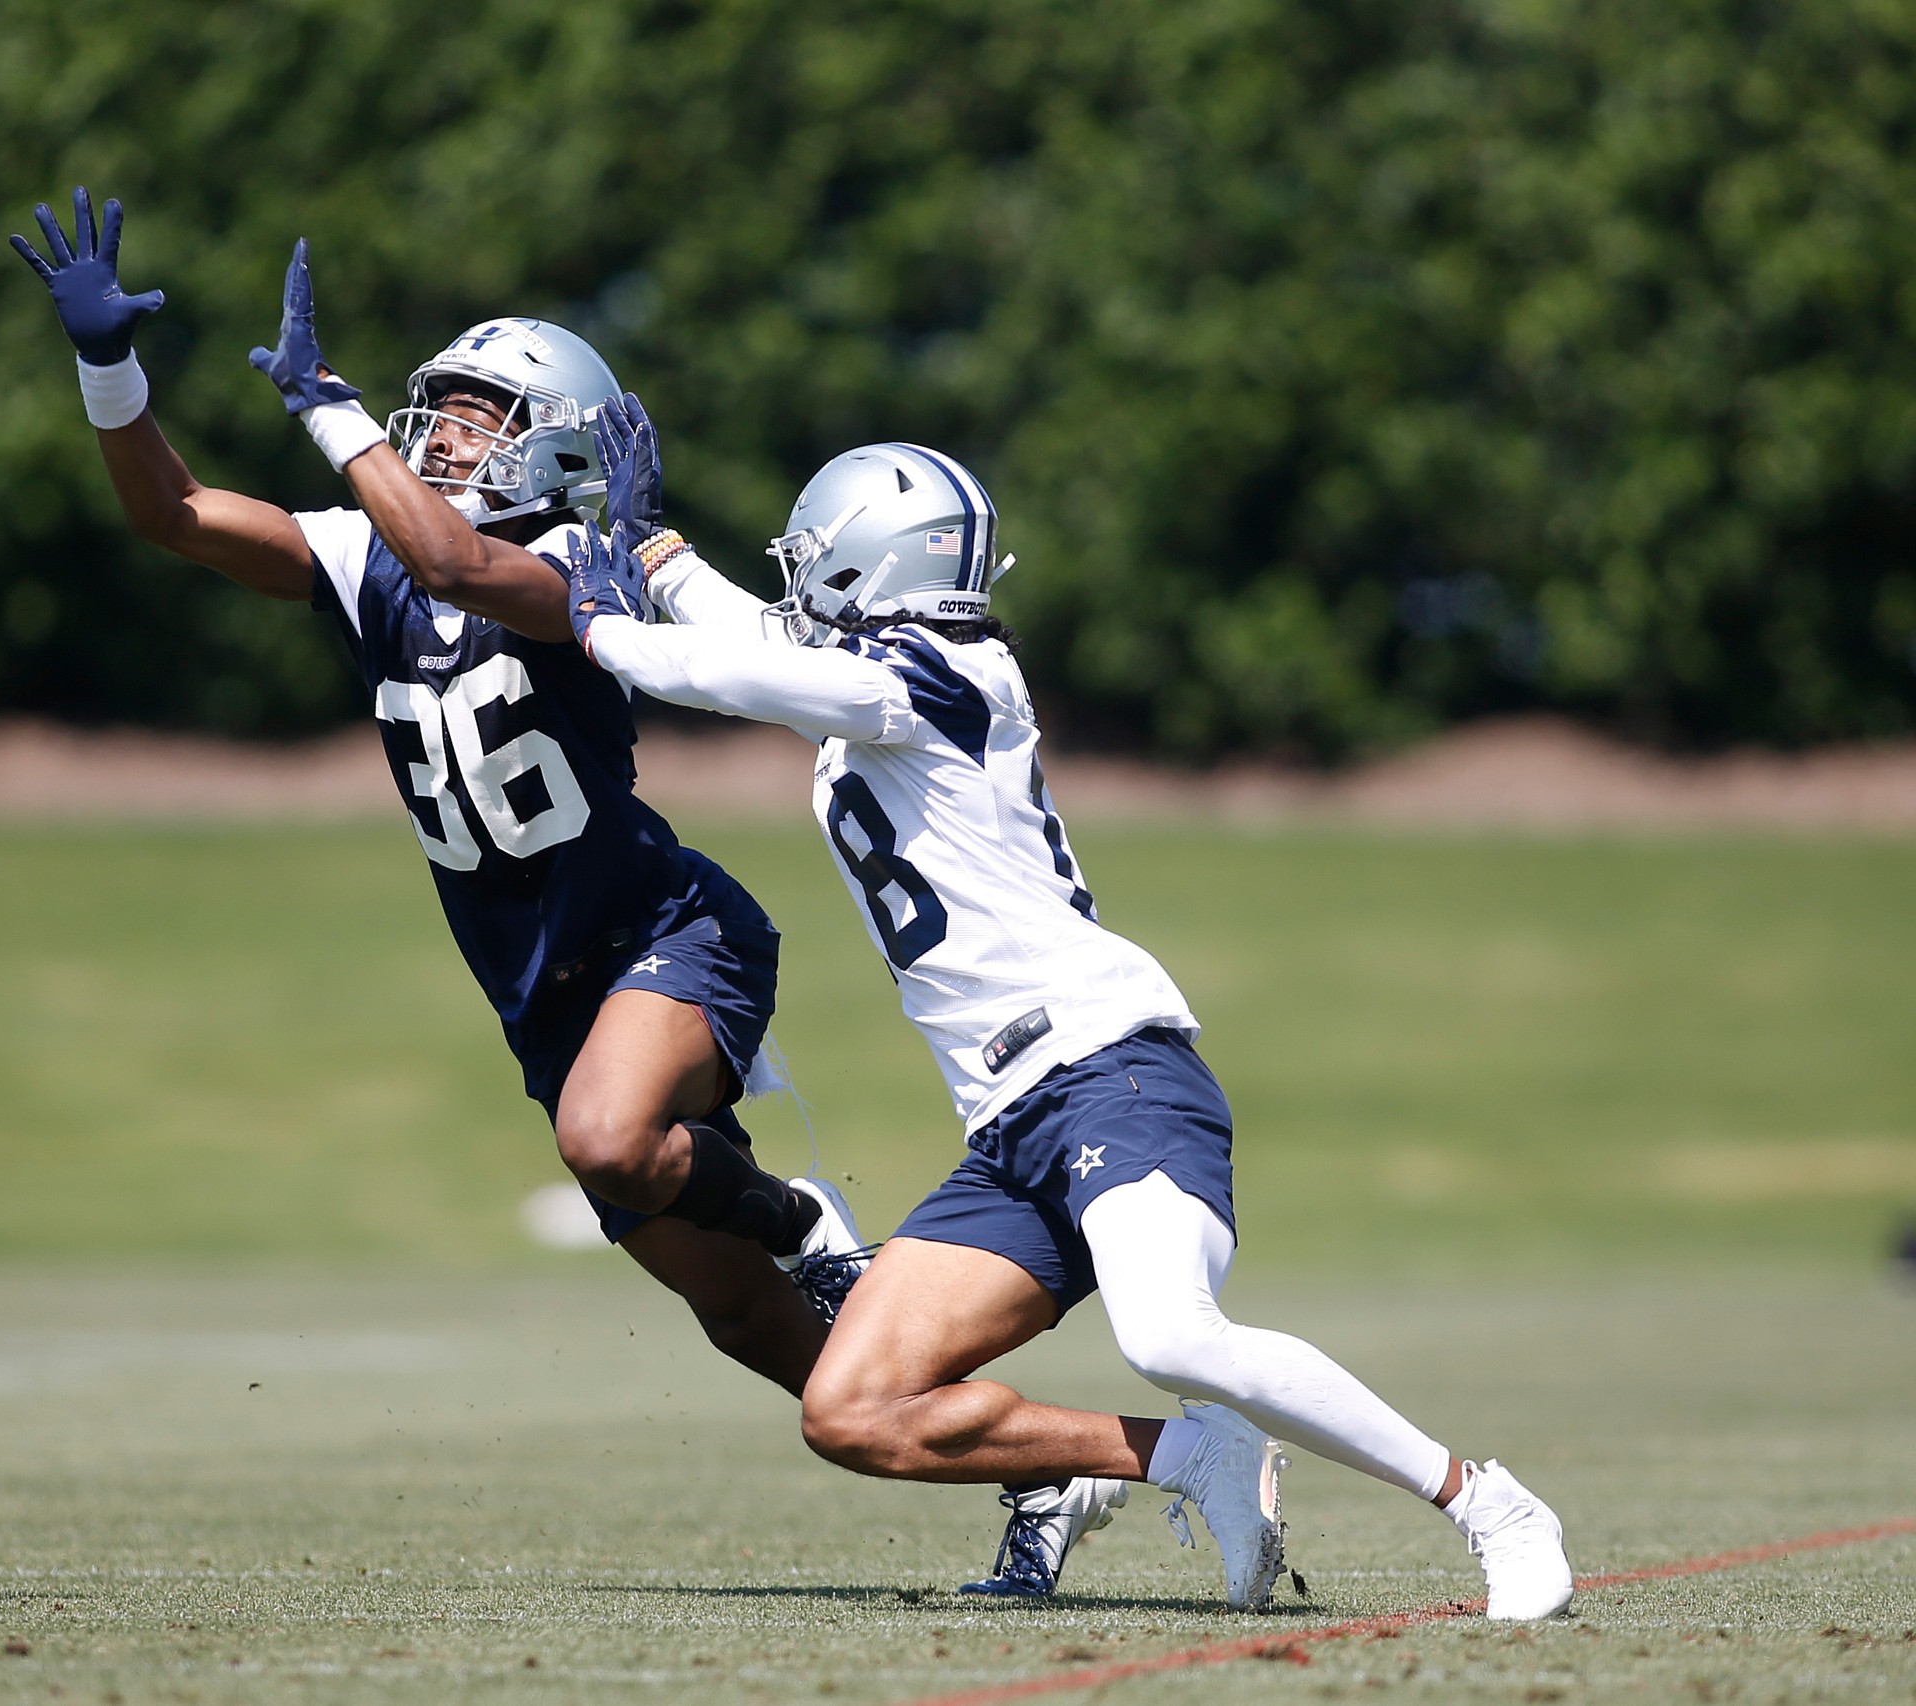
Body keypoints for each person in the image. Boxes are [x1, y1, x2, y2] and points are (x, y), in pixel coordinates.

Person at [563, 401, 1577, 1619]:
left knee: (1172, 1334)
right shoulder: (889, 674)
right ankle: (1191, 1456)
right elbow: (757, 642)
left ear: (872, 558)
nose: (801, 581)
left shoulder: (943, 671)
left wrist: (604, 623)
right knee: (851, 1407)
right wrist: (658, 554)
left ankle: (1486, 1502)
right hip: (1007, 1123)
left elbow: (731, 671)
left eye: (815, 556)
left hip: (1108, 1071)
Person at [6, 190, 869, 1398]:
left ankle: (799, 1217)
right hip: (540, 996)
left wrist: (328, 407)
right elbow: (176, 513)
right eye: (446, 411)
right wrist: (110, 368)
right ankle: (1001, 1453)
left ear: (557, 447)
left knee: (607, 1138)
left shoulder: (582, 562)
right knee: (742, 1318)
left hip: (663, 937)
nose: (448, 436)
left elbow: (455, 562)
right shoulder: (371, 558)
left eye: (483, 416)